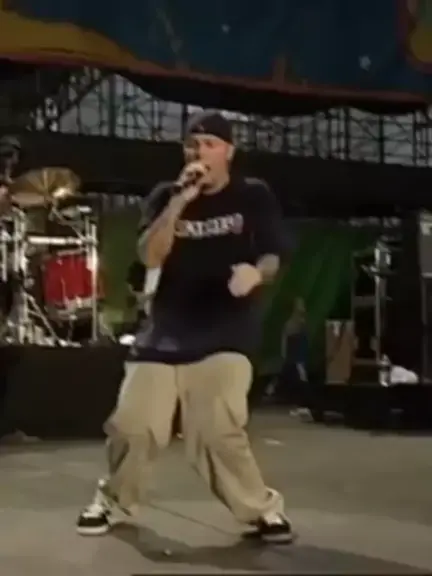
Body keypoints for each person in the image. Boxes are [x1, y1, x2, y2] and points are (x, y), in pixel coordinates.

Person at [76, 111, 293, 544]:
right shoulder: (165, 196)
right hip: (164, 332)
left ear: (228, 151)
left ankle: (261, 510)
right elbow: (150, 255)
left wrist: (256, 272)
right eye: (193, 145)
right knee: (133, 425)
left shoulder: (252, 194)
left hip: (225, 331)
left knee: (215, 431)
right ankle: (115, 500)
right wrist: (179, 200)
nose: (199, 153)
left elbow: (273, 252)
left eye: (210, 145)